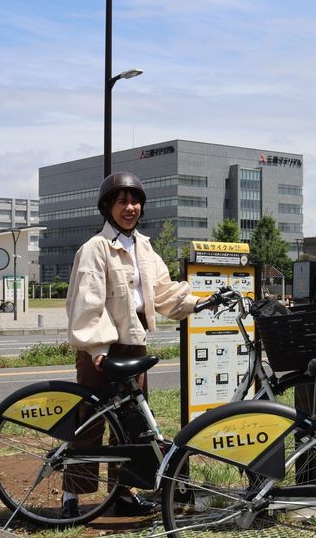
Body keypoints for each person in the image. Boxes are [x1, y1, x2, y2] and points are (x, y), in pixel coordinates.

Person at [64, 171, 215, 519]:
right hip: (100, 351)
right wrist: (97, 347)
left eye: (135, 201)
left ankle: (122, 495)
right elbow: (88, 302)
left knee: (132, 426)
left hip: (134, 347)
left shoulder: (144, 247)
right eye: (122, 201)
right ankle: (72, 494)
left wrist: (197, 303)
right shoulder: (95, 248)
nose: (130, 208)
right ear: (107, 207)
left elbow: (162, 292)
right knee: (90, 423)